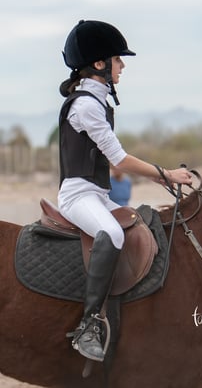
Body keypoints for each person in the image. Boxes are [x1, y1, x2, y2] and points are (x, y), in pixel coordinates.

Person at [58, 19, 192, 362]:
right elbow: (118, 158)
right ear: (100, 63)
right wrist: (167, 173)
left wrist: (158, 179)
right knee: (113, 234)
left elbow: (114, 161)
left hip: (97, 193)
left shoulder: (97, 101)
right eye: (118, 59)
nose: (123, 65)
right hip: (77, 195)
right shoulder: (86, 104)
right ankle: (87, 326)